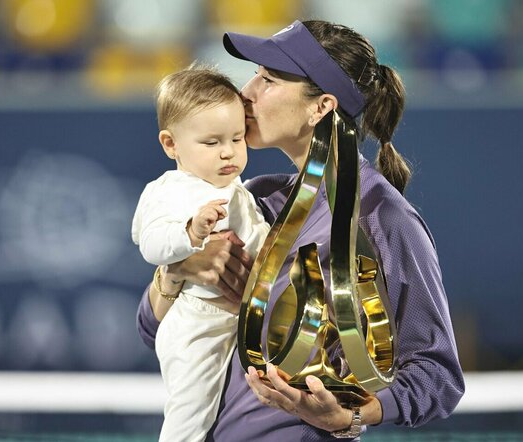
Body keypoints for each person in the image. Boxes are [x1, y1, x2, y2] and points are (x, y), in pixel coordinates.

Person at [137, 20, 465, 441]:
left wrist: (352, 417)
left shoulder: (385, 218)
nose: (246, 93)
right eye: (254, 74)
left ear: (320, 107)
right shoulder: (255, 199)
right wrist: (177, 272)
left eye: (268, 79)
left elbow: (437, 374)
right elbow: (150, 329)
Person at [131, 66, 270, 442]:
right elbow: (150, 242)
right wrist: (190, 233)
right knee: (190, 415)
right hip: (198, 324)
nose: (228, 152)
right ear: (170, 144)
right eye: (211, 143)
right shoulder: (172, 190)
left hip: (238, 321)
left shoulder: (237, 187)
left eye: (237, 138)